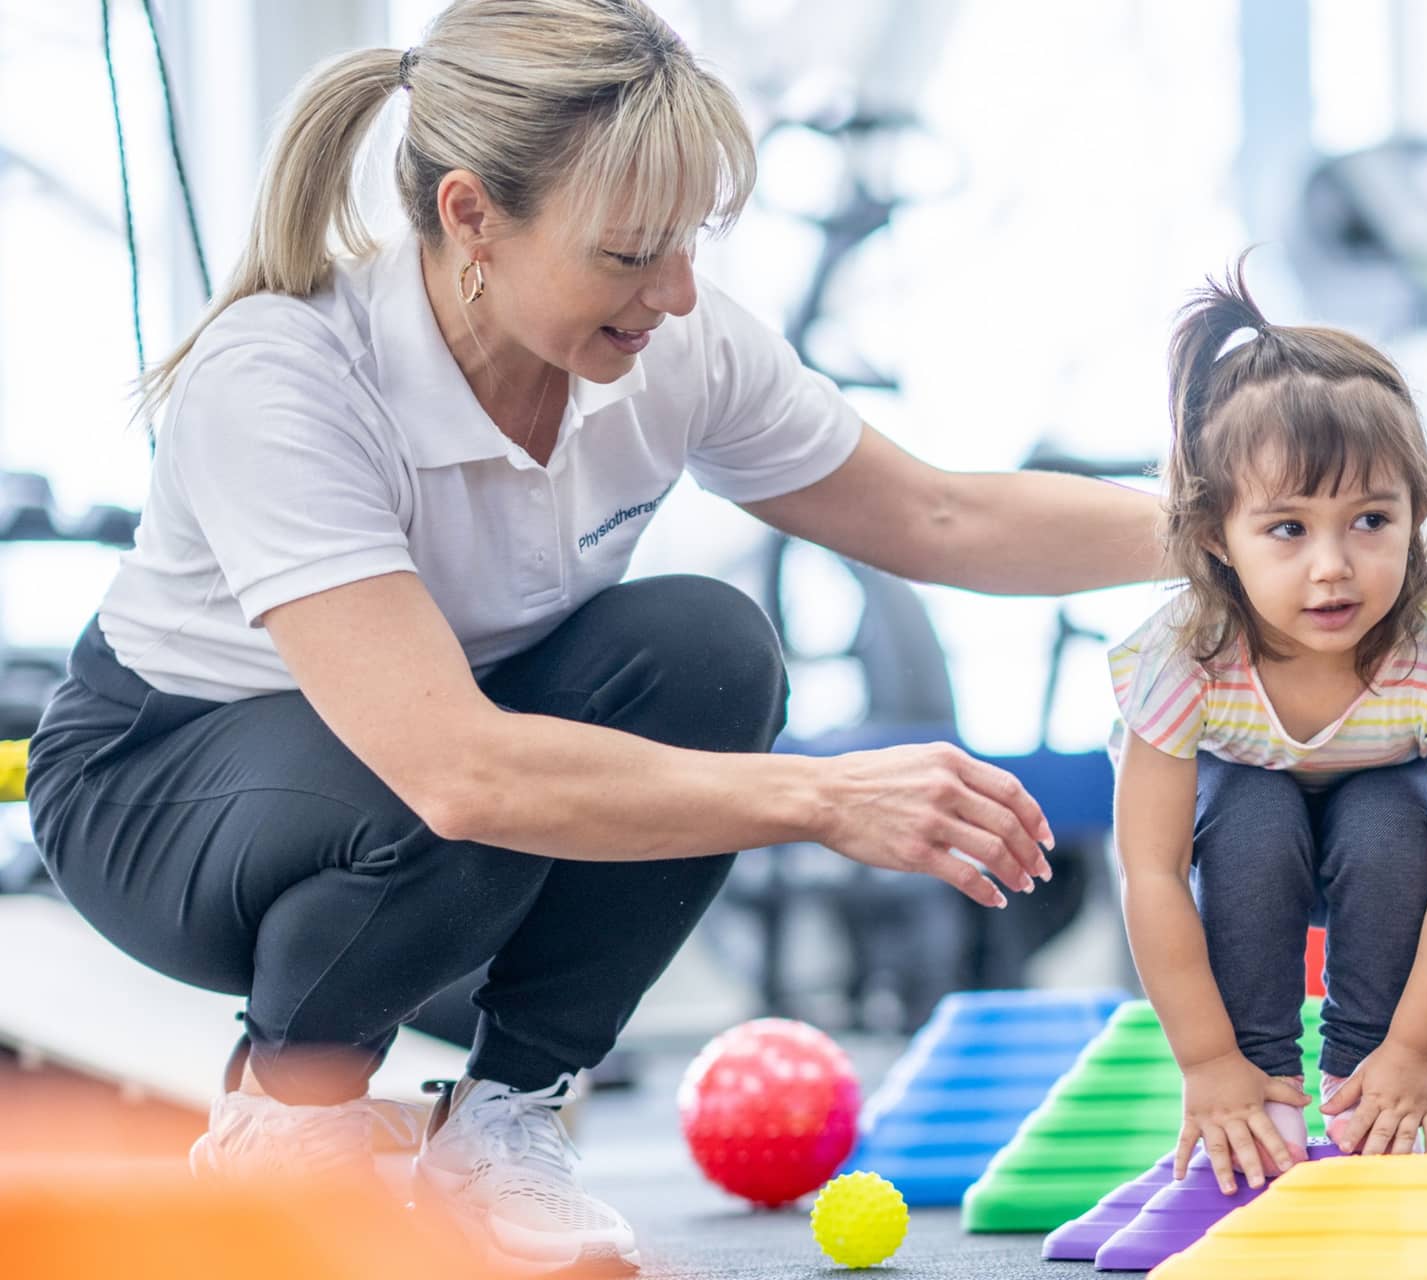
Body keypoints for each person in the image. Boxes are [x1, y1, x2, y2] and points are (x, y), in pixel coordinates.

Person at [24, 0, 1160, 1270]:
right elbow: (459, 768)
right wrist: (820, 796)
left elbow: (939, 513)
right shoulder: (284, 375)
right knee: (458, 782)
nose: (674, 293)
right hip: (163, 787)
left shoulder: (676, 344)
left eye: (684, 245)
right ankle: (289, 1119)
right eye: (628, 255)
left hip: (446, 748)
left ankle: (507, 1119)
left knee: (707, 647)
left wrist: (1235, 536)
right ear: (470, 218)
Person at [1107, 260, 1427, 1195]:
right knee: (1253, 811)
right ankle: (1263, 1098)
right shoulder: (1188, 653)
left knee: (1385, 817)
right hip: (1237, 827)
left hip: (1376, 830)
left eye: (1370, 520)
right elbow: (1154, 873)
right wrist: (1211, 1067)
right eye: (1287, 529)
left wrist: (1415, 1051)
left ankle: (1361, 1093)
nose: (1333, 568)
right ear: (1217, 534)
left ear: (1417, 515)